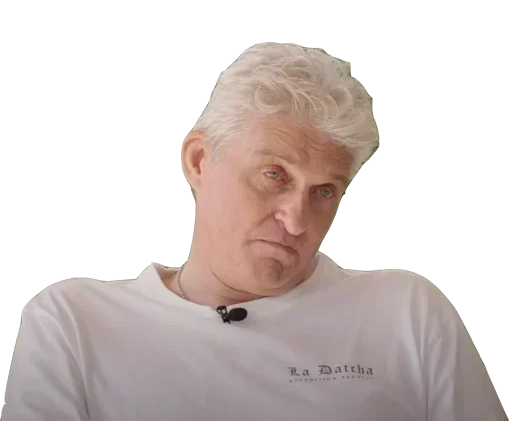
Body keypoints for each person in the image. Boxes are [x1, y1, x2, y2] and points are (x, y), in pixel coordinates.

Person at [2, 43, 507, 421]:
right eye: (274, 175)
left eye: (324, 191)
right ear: (199, 160)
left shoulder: (405, 313)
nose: (297, 221)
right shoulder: (76, 324)